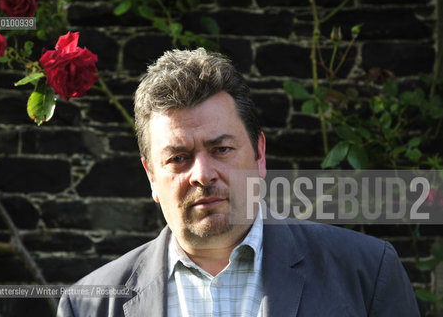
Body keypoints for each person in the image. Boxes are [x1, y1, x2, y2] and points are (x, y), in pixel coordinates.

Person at [57, 48, 420, 316]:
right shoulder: (89, 306)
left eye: (221, 148)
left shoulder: (367, 274)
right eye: (178, 158)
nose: (202, 174)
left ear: (259, 155)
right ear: (151, 175)